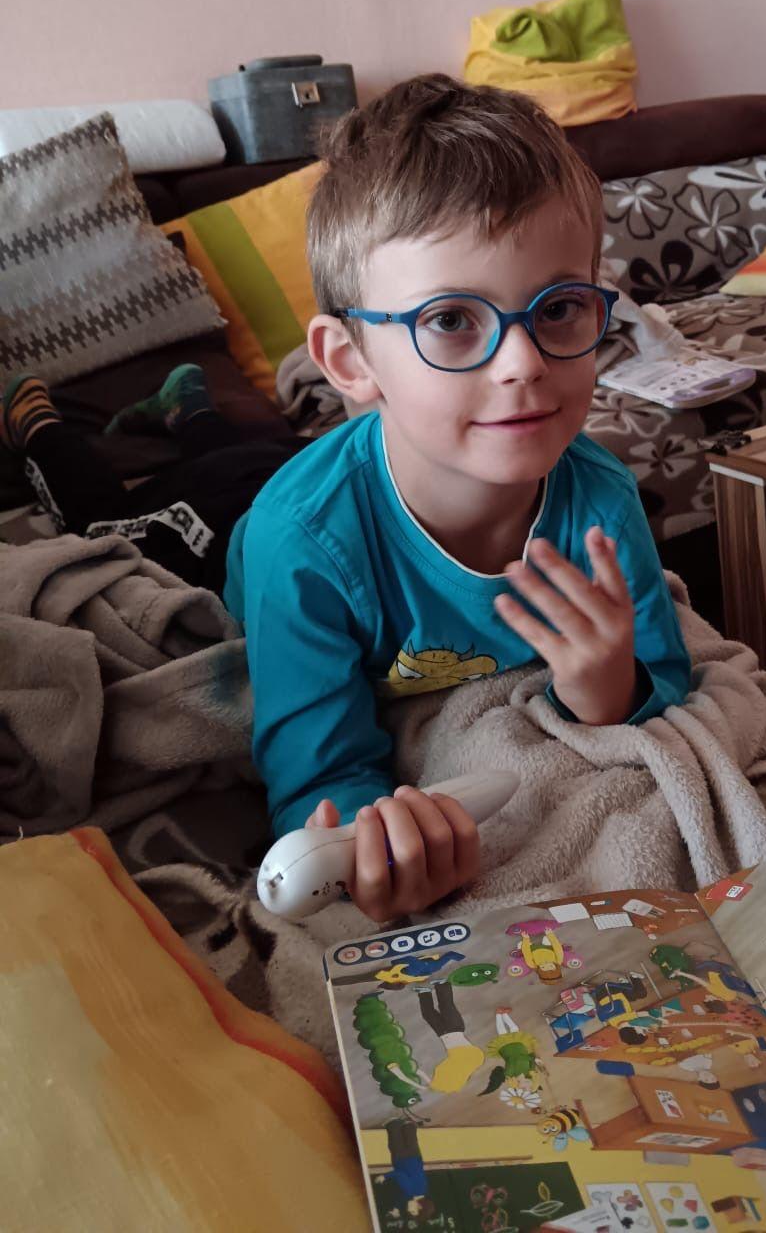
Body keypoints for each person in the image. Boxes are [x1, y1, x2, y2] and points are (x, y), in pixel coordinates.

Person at [225, 72, 692, 924]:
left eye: (559, 308)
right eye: (449, 320)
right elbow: (317, 786)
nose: (523, 363)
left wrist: (606, 690)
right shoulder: (299, 545)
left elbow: (659, 683)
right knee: (203, 479)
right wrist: (372, 849)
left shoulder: (599, 499)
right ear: (351, 361)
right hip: (252, 524)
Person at [0, 365, 298, 593]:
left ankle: (191, 410)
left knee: (247, 469)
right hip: (233, 534)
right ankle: (31, 419)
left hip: (293, 469)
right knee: (102, 537)